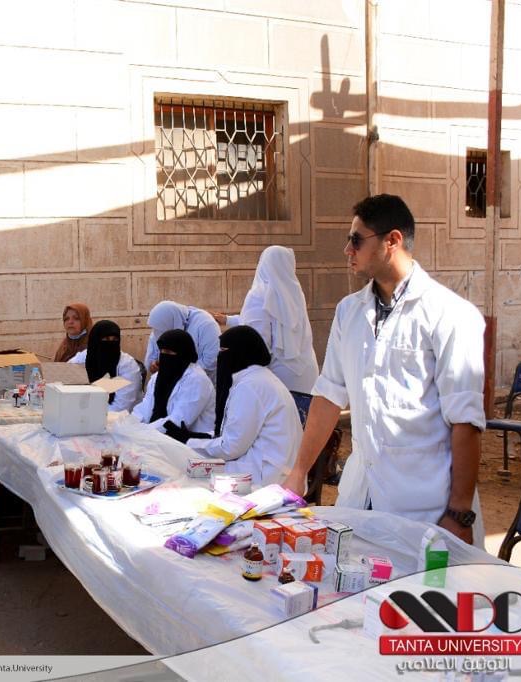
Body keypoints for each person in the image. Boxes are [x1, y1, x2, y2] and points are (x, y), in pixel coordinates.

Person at [282, 194, 486, 546]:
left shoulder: (450, 314)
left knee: (418, 581)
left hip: (425, 504)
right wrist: (299, 472)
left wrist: (459, 513)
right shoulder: (349, 312)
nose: (348, 250)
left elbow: (465, 419)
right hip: (362, 493)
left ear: (392, 241)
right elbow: (329, 395)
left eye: (356, 240)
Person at [183, 326, 302, 485]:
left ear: (240, 352)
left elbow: (231, 447)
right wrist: (197, 439)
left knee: (187, 477)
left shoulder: (250, 386)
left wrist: (190, 442)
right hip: (267, 466)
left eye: (223, 351)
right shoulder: (258, 378)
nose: (219, 358)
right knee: (190, 467)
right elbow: (235, 433)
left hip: (264, 477)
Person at [222, 246, 319, 393]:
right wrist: (228, 320)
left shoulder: (259, 293)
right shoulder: (295, 292)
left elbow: (255, 339)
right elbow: (280, 322)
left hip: (280, 378)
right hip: (308, 373)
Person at [132, 329, 215, 435]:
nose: (164, 356)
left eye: (168, 352)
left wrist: (143, 432)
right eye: (162, 352)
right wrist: (131, 424)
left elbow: (178, 421)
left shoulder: (197, 380)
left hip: (189, 439)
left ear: (183, 353)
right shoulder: (158, 377)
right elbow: (145, 407)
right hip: (156, 435)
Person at [68, 320, 143, 412]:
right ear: (95, 340)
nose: (110, 344)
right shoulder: (85, 357)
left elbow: (121, 407)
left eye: (115, 339)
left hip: (121, 417)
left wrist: (90, 415)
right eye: (106, 339)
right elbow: (66, 376)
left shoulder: (127, 365)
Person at [144, 300, 220, 384]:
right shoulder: (162, 326)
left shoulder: (206, 325)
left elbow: (210, 362)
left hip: (200, 384)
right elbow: (151, 358)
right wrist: (153, 365)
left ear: (174, 321)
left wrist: (179, 371)